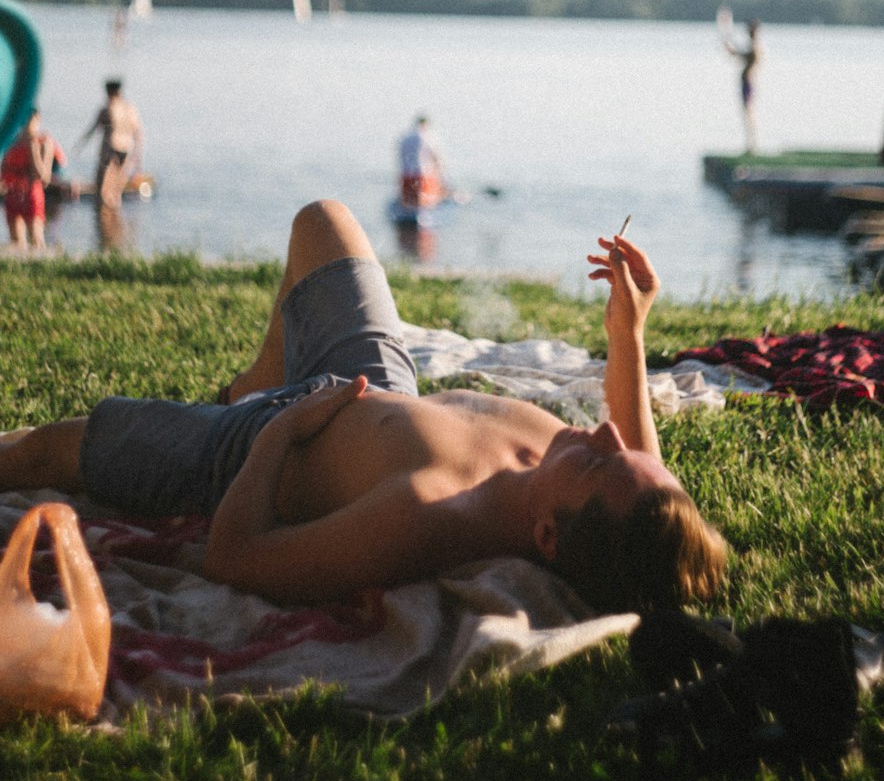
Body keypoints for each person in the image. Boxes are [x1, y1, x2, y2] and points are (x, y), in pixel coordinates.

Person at [0, 199, 727, 616]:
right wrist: (628, 331)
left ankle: (243, 403)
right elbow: (640, 459)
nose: (606, 431)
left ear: (544, 535)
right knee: (325, 221)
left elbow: (233, 557)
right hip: (376, 380)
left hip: (256, 445)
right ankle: (252, 379)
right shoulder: (594, 481)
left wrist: (279, 433)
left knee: (48, 449)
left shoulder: (431, 512)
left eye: (600, 459)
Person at [76, 80, 143, 208]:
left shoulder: (108, 108)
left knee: (103, 190)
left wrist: (81, 144)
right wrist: (137, 159)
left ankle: (104, 221)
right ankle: (115, 221)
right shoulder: (130, 108)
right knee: (116, 191)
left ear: (108, 92)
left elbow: (93, 129)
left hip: (110, 149)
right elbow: (138, 134)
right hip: (126, 148)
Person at [1, 108, 56, 251]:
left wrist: (34, 153)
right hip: (12, 194)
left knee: (36, 239)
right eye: (23, 119)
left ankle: (42, 268)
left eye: (30, 119)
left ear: (37, 119)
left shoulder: (44, 142)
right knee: (16, 243)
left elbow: (45, 179)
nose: (26, 124)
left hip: (32, 195)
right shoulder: (11, 140)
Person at [723, 21, 761, 154]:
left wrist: (731, 49)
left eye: (749, 30)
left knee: (748, 113)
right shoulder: (753, 46)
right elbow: (740, 55)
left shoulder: (755, 47)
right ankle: (750, 144)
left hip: (748, 83)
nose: (747, 32)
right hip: (747, 83)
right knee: (747, 113)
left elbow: (743, 56)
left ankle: (752, 145)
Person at [398, 115, 445, 209]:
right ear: (426, 124)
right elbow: (436, 157)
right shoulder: (428, 137)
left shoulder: (406, 138)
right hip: (423, 174)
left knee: (408, 201)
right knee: (424, 201)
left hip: (407, 174)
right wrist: (441, 175)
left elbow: (401, 155)